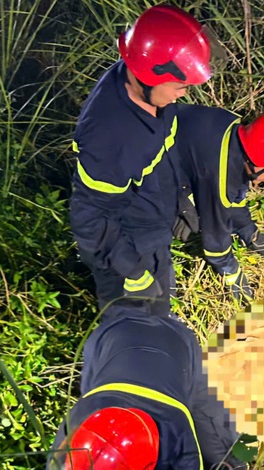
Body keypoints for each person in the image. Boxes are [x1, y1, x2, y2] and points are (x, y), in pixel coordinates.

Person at [69, 5, 224, 316]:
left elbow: (160, 152)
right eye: (181, 86)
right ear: (151, 76)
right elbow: (90, 219)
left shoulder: (146, 88)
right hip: (131, 244)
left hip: (153, 220)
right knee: (140, 327)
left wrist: (178, 197)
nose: (184, 94)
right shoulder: (111, 139)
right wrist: (133, 274)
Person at [41, 305, 249, 470]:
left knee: (221, 457)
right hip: (112, 334)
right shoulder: (81, 420)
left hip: (175, 341)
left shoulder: (178, 445)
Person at [172, 105, 264, 301]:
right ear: (259, 156)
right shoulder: (219, 173)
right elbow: (215, 236)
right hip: (140, 170)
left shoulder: (237, 134)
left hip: (172, 147)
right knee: (183, 226)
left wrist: (250, 234)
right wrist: (231, 272)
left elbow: (234, 198)